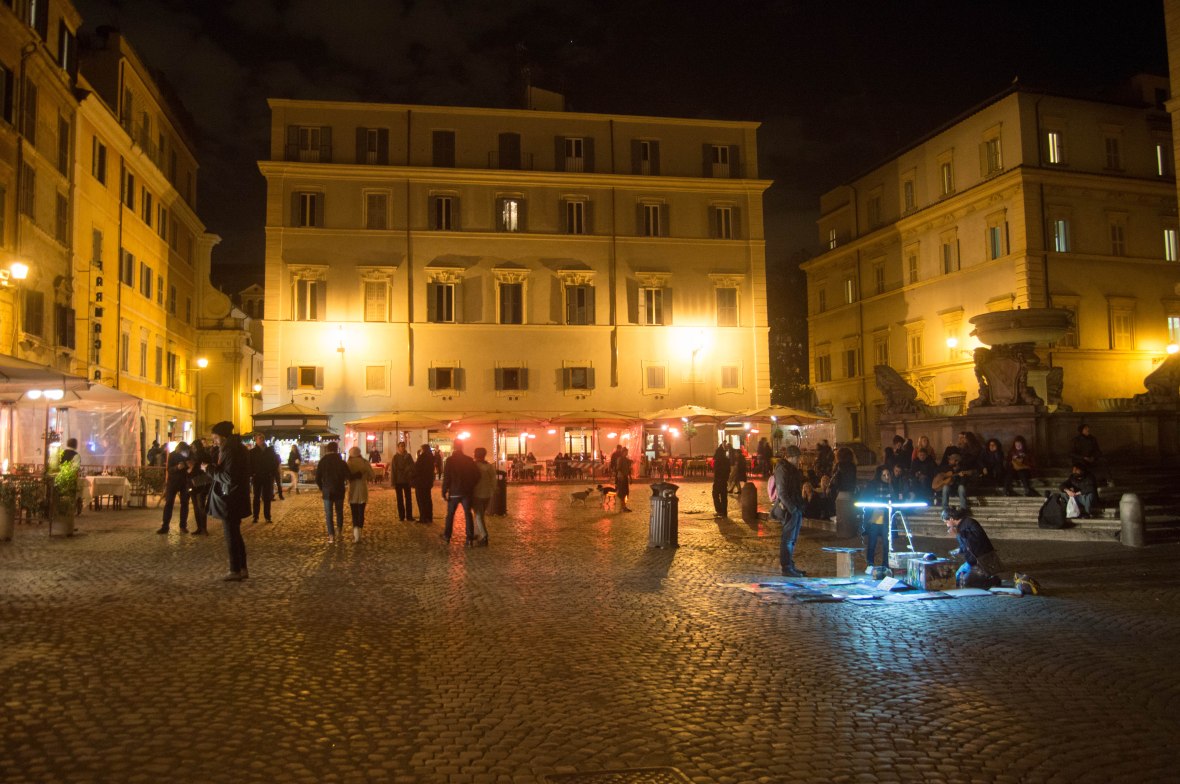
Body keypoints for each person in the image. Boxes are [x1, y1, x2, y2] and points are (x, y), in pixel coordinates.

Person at [204, 422, 250, 581]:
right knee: (235, 533)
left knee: (231, 533)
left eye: (216, 438)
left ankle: (234, 570)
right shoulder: (238, 448)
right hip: (237, 495)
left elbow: (227, 477)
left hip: (230, 497)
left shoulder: (230, 450)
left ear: (223, 437)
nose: (214, 441)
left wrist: (208, 469)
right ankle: (242, 568)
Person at [944, 506, 1004, 588]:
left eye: (946, 522)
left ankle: (992, 580)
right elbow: (965, 544)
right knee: (956, 579)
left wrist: (959, 533)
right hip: (971, 561)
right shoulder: (959, 527)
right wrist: (959, 550)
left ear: (951, 519)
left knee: (967, 582)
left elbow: (978, 538)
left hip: (980, 560)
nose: (946, 525)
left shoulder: (970, 522)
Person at [774, 445, 806, 577]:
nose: (799, 460)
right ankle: (786, 567)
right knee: (787, 539)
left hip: (795, 507)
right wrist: (792, 508)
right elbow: (782, 492)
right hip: (789, 509)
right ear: (790, 457)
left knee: (792, 539)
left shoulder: (792, 469)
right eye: (797, 457)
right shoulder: (783, 469)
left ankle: (790, 565)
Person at [441, 440, 479, 545]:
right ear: (462, 447)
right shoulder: (469, 460)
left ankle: (447, 536)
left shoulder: (450, 460)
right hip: (466, 492)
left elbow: (447, 477)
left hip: (454, 492)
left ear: (454, 447)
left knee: (450, 515)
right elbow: (477, 475)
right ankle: (469, 538)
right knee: (468, 514)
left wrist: (444, 491)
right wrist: (471, 486)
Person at [860, 466, 895, 574]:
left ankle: (886, 564)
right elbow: (866, 497)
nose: (886, 477)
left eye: (888, 474)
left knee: (886, 540)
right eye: (884, 475)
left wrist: (890, 485)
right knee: (873, 539)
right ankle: (870, 563)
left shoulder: (891, 486)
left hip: (886, 513)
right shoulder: (873, 485)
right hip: (877, 513)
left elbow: (894, 498)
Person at [314, 442, 350, 543]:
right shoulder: (341, 462)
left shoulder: (323, 461)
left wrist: (322, 487)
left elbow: (317, 478)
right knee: (339, 512)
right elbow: (348, 475)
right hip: (339, 489)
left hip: (327, 491)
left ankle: (331, 535)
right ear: (337, 449)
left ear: (327, 450)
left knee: (328, 514)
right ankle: (339, 531)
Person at [158, 441, 192, 534]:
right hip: (173, 482)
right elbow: (169, 469)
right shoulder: (172, 455)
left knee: (184, 504)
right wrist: (177, 467)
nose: (184, 453)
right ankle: (165, 526)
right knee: (169, 503)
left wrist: (189, 467)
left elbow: (191, 468)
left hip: (184, 482)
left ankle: (183, 526)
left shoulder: (188, 455)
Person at [248, 433, 280, 524]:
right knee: (256, 497)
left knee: (267, 498)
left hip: (267, 477)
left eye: (262, 438)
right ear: (256, 440)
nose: (261, 440)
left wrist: (271, 473)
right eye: (259, 439)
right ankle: (255, 516)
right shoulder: (252, 452)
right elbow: (249, 464)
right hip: (257, 477)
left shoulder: (270, 451)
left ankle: (267, 516)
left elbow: (275, 462)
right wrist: (252, 474)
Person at [346, 446, 375, 543]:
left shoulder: (349, 463)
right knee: (361, 512)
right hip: (362, 489)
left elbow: (346, 476)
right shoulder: (364, 462)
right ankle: (360, 532)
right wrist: (366, 476)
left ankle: (356, 533)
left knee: (354, 512)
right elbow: (372, 475)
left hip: (353, 490)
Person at [472, 447, 496, 546]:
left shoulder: (474, 466)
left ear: (475, 455)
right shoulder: (490, 466)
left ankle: (484, 535)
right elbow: (494, 480)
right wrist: (492, 491)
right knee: (480, 515)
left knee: (478, 515)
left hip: (477, 494)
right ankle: (476, 533)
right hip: (487, 494)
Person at [188, 438, 212, 535]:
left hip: (198, 483)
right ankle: (201, 528)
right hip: (201, 483)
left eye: (193, 447)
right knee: (199, 505)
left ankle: (202, 528)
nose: (192, 448)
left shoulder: (197, 456)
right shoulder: (205, 455)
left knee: (199, 505)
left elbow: (195, 469)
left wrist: (190, 470)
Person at [390, 441, 415, 521]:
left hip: (407, 480)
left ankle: (409, 516)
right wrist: (393, 482)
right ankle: (401, 516)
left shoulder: (409, 456)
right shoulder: (395, 457)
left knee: (408, 499)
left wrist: (409, 471)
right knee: (399, 499)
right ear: (398, 447)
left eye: (404, 446)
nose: (403, 448)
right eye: (401, 446)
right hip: (398, 481)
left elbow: (412, 466)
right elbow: (393, 470)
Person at [414, 444, 436, 523]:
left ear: (423, 449)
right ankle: (429, 517)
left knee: (421, 500)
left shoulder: (422, 457)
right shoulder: (431, 458)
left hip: (421, 482)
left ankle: (423, 517)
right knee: (428, 500)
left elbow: (417, 468)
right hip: (428, 482)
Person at [711, 443, 730, 518]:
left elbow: (716, 471)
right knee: (724, 496)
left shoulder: (718, 460)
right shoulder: (726, 460)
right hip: (724, 480)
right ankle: (724, 512)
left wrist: (717, 478)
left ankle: (719, 510)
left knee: (715, 494)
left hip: (718, 480)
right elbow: (728, 470)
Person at [615, 446, 633, 512]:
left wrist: (630, 478)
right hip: (621, 477)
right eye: (626, 452)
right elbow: (618, 468)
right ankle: (622, 507)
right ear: (623, 452)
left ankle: (624, 506)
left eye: (627, 452)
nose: (627, 453)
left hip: (625, 477)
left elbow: (628, 470)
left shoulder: (626, 460)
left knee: (625, 492)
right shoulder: (620, 459)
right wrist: (622, 475)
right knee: (622, 493)